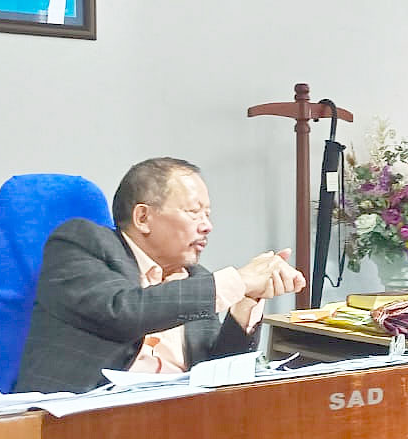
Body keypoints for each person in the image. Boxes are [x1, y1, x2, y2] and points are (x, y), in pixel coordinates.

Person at [15, 157, 305, 393]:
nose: (207, 226)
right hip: (78, 421)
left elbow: (216, 370)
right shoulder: (81, 243)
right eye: (194, 212)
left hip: (173, 422)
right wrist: (238, 281)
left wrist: (247, 299)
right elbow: (124, 310)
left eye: (208, 215)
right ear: (143, 218)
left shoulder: (196, 280)